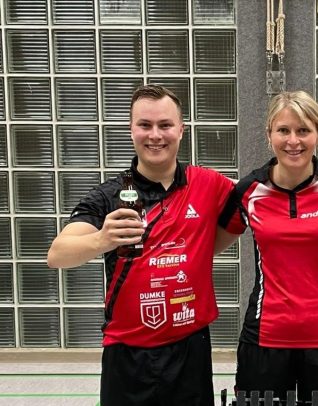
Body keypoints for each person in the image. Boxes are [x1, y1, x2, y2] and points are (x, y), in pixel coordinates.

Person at [47, 84, 235, 406]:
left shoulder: (209, 183)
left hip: (190, 349)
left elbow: (255, 203)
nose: (155, 135)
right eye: (145, 125)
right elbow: (57, 254)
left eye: (165, 125)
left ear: (181, 129)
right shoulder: (109, 195)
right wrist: (102, 239)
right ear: (131, 130)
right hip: (127, 354)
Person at [216, 90, 318, 403]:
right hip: (265, 337)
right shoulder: (249, 190)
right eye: (283, 130)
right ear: (269, 135)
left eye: (303, 130)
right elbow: (205, 248)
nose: (293, 141)